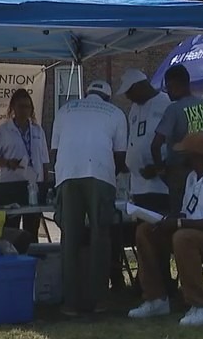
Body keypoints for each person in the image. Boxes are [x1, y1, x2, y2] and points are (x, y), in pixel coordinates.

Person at [128, 132, 203, 327]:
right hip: (198, 234)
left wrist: (178, 225)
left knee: (183, 237)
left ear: (196, 156)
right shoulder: (193, 177)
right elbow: (187, 213)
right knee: (146, 231)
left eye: (184, 154)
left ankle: (202, 306)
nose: (179, 158)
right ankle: (156, 299)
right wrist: (166, 220)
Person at [52, 80, 128, 317]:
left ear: (86, 94)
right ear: (107, 97)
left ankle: (70, 304)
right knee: (100, 237)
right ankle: (99, 301)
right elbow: (121, 156)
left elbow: (54, 150)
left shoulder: (65, 109)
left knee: (70, 238)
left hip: (67, 175)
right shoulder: (115, 113)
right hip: (101, 175)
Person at [116, 68, 177, 293]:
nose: (128, 98)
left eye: (130, 93)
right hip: (139, 184)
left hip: (159, 185)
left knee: (158, 235)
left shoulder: (166, 103)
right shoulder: (134, 108)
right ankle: (147, 281)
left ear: (140, 87)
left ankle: (164, 281)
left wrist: (160, 167)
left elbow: (172, 141)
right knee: (143, 235)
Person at [145, 64, 203, 214]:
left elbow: (155, 145)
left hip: (179, 173)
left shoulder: (174, 109)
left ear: (177, 85)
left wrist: (161, 171)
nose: (168, 92)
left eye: (169, 87)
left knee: (180, 215)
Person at [0, 89, 50, 241]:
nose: (24, 110)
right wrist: (8, 163)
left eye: (27, 107)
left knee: (32, 228)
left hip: (33, 183)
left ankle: (32, 258)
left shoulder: (38, 130)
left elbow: (44, 159)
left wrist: (44, 185)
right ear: (13, 108)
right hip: (11, 185)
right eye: (20, 106)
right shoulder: (3, 130)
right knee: (11, 228)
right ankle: (12, 259)